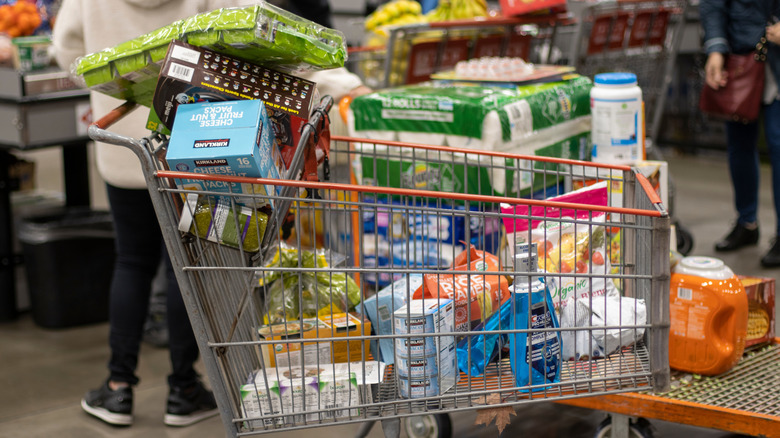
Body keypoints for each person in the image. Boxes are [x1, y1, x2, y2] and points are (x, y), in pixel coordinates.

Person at [52, 0, 368, 428]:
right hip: (193, 141)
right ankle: (183, 389)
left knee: (131, 260)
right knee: (184, 266)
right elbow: (252, 34)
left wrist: (126, 76)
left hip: (123, 144)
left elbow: (66, 48)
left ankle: (117, 388)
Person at [700, 0, 780, 267]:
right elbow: (713, 5)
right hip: (741, 58)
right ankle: (747, 223)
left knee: (778, 143)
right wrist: (715, 48)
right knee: (739, 145)